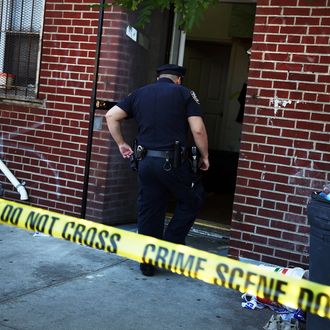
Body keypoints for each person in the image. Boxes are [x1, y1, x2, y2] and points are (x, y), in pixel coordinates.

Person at [105, 64, 209, 276]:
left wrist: (121, 143)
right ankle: (170, 245)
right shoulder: (184, 93)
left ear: (158, 77)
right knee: (193, 198)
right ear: (178, 79)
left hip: (145, 162)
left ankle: (147, 263)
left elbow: (111, 116)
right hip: (172, 162)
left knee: (150, 207)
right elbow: (197, 129)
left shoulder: (139, 93)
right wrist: (205, 156)